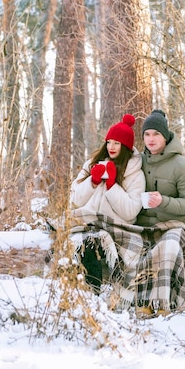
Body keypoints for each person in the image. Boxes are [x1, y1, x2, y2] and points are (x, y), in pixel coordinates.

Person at [69, 114, 145, 301]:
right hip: (88, 222)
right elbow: (75, 199)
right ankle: (90, 297)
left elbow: (130, 212)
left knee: (100, 244)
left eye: (117, 143)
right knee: (86, 243)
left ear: (125, 147)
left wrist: (112, 185)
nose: (111, 147)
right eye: (109, 142)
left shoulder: (135, 174)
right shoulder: (92, 164)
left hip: (118, 227)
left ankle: (116, 299)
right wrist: (92, 181)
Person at [134, 109, 185, 318]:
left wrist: (164, 201)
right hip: (142, 226)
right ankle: (141, 303)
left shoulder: (182, 165)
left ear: (166, 136)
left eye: (156, 134)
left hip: (173, 226)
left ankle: (165, 303)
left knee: (169, 247)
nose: (151, 139)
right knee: (133, 248)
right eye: (147, 134)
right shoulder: (137, 162)